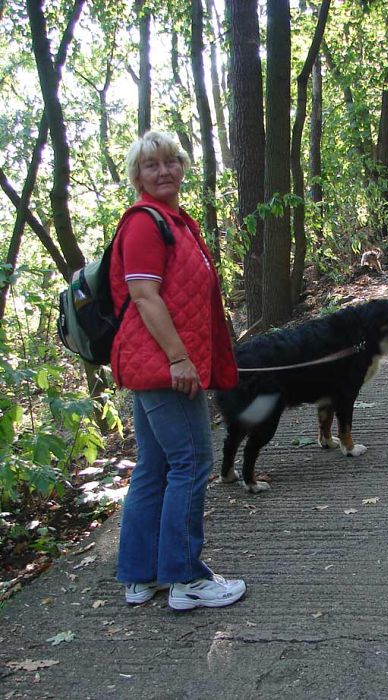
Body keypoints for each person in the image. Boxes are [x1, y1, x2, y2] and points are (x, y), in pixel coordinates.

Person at [111, 131, 245, 610]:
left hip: (153, 366)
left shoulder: (174, 221)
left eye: (171, 162)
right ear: (138, 176)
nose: (164, 171)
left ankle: (140, 575)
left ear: (182, 167)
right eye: (152, 166)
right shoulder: (146, 224)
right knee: (191, 464)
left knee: (154, 467)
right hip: (163, 367)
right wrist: (178, 358)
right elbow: (145, 296)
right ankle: (186, 577)